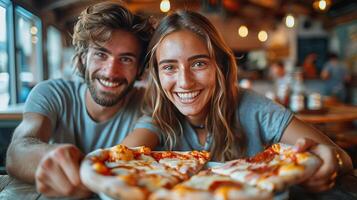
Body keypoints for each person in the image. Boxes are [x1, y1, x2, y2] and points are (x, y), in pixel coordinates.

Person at [122, 10, 353, 193]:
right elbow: (121, 158)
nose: (185, 82)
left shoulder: (253, 108)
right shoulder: (158, 119)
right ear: (157, 74)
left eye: (198, 63)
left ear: (220, 66)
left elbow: (341, 156)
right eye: (169, 67)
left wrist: (330, 164)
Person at [6, 1, 153, 198]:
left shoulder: (148, 104)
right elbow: (18, 150)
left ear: (140, 69)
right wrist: (46, 157)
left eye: (126, 59)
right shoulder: (51, 93)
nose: (111, 72)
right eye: (101, 54)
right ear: (83, 57)